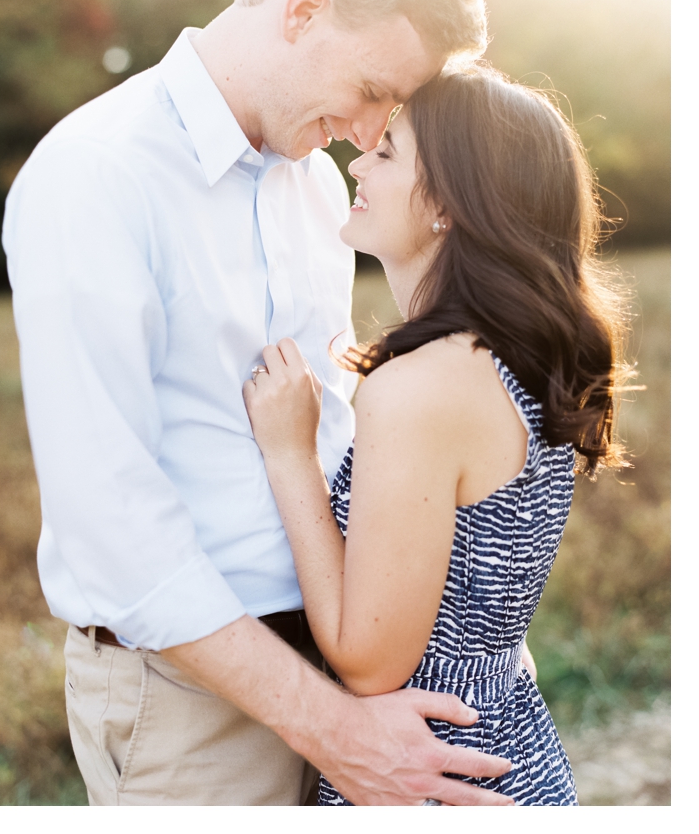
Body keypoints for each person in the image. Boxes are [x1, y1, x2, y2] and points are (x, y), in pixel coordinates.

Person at [2, 0, 516, 805]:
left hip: (345, 663)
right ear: (303, 8)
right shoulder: (95, 175)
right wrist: (336, 730)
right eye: (371, 88)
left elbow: (340, 437)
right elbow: (112, 532)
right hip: (194, 707)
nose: (370, 131)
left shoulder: (319, 186)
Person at [242, 65, 627, 805]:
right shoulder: (512, 356)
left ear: (449, 202)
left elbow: (367, 662)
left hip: (430, 775)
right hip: (507, 747)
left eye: (387, 153)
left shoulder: (421, 387)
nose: (358, 162)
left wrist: (290, 454)